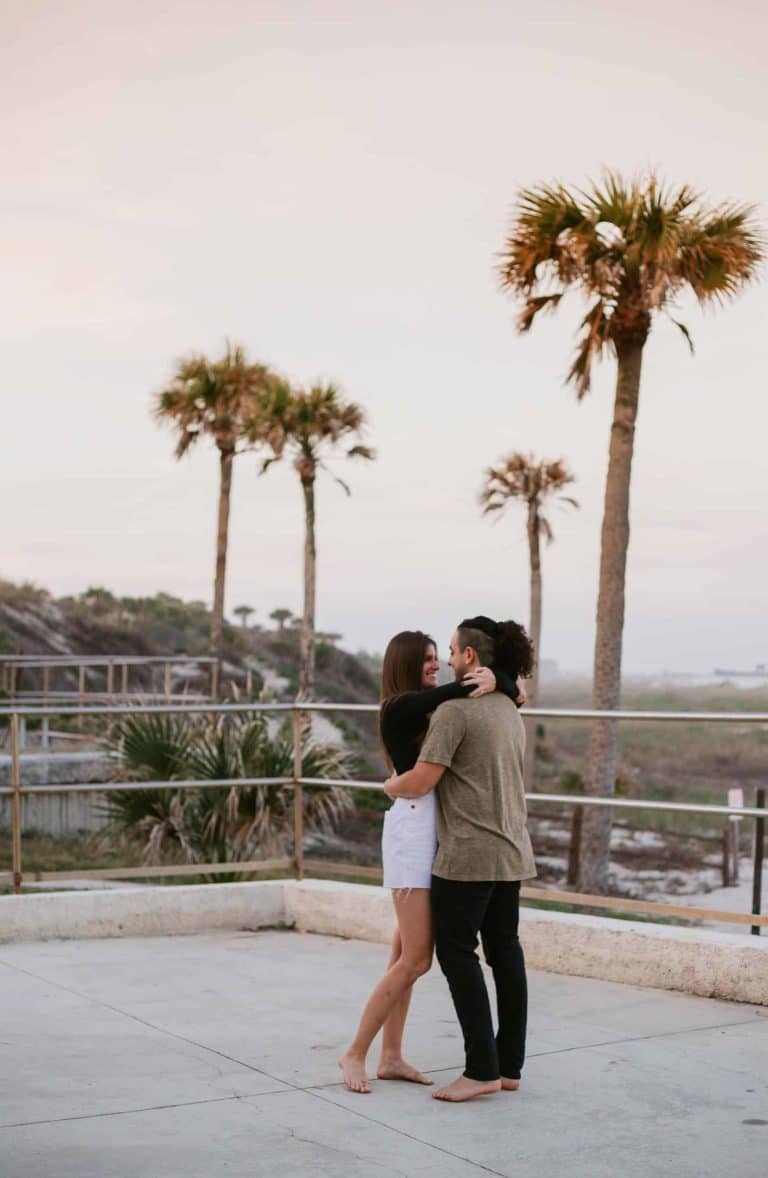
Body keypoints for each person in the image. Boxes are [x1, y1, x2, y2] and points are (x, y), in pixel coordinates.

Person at [338, 629, 521, 1094]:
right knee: (417, 960)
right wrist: (495, 677)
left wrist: (498, 680)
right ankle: (354, 1053)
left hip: (438, 834)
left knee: (404, 954)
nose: (435, 665)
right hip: (414, 835)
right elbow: (465, 691)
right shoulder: (399, 707)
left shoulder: (434, 707)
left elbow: (503, 693)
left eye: (439, 657)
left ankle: (392, 1056)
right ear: (402, 663)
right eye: (425, 659)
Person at [383, 616, 536, 1103]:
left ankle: (480, 1070)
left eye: (450, 652)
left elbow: (423, 780)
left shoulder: (454, 713)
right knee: (505, 954)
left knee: (456, 954)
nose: (447, 661)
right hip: (513, 847)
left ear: (470, 657)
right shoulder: (509, 708)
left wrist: (388, 786)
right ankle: (508, 1067)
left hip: (468, 853)